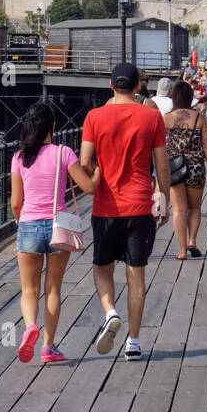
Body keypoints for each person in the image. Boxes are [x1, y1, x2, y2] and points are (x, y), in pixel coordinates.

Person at [80, 64, 170, 360]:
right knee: (136, 275)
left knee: (102, 269)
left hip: (106, 207)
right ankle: (133, 341)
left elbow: (84, 162)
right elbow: (162, 164)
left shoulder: (94, 117)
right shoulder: (152, 116)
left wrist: (96, 178)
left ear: (110, 85)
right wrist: (164, 197)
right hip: (140, 206)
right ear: (138, 86)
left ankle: (110, 311)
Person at [10, 101, 99, 364]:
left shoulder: (18, 157)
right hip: (58, 225)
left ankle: (29, 327)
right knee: (53, 289)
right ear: (53, 126)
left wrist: (20, 222)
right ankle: (48, 347)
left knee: (28, 289)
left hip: (28, 225)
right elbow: (88, 188)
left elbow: (16, 201)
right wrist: (100, 171)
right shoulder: (63, 152)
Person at [164, 80, 207, 260]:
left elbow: (159, 147)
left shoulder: (166, 118)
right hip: (196, 168)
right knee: (195, 208)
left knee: (178, 210)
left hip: (174, 168)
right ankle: (192, 240)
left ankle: (182, 250)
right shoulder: (199, 118)